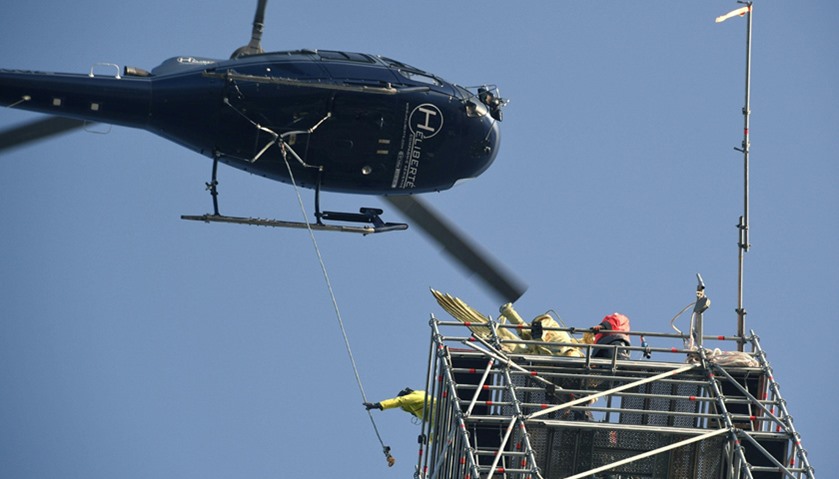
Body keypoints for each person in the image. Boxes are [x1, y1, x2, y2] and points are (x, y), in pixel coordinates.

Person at [364, 388, 434, 421]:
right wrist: (428, 439)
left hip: (436, 410)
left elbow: (399, 401)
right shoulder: (421, 399)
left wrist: (378, 405)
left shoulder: (413, 397)